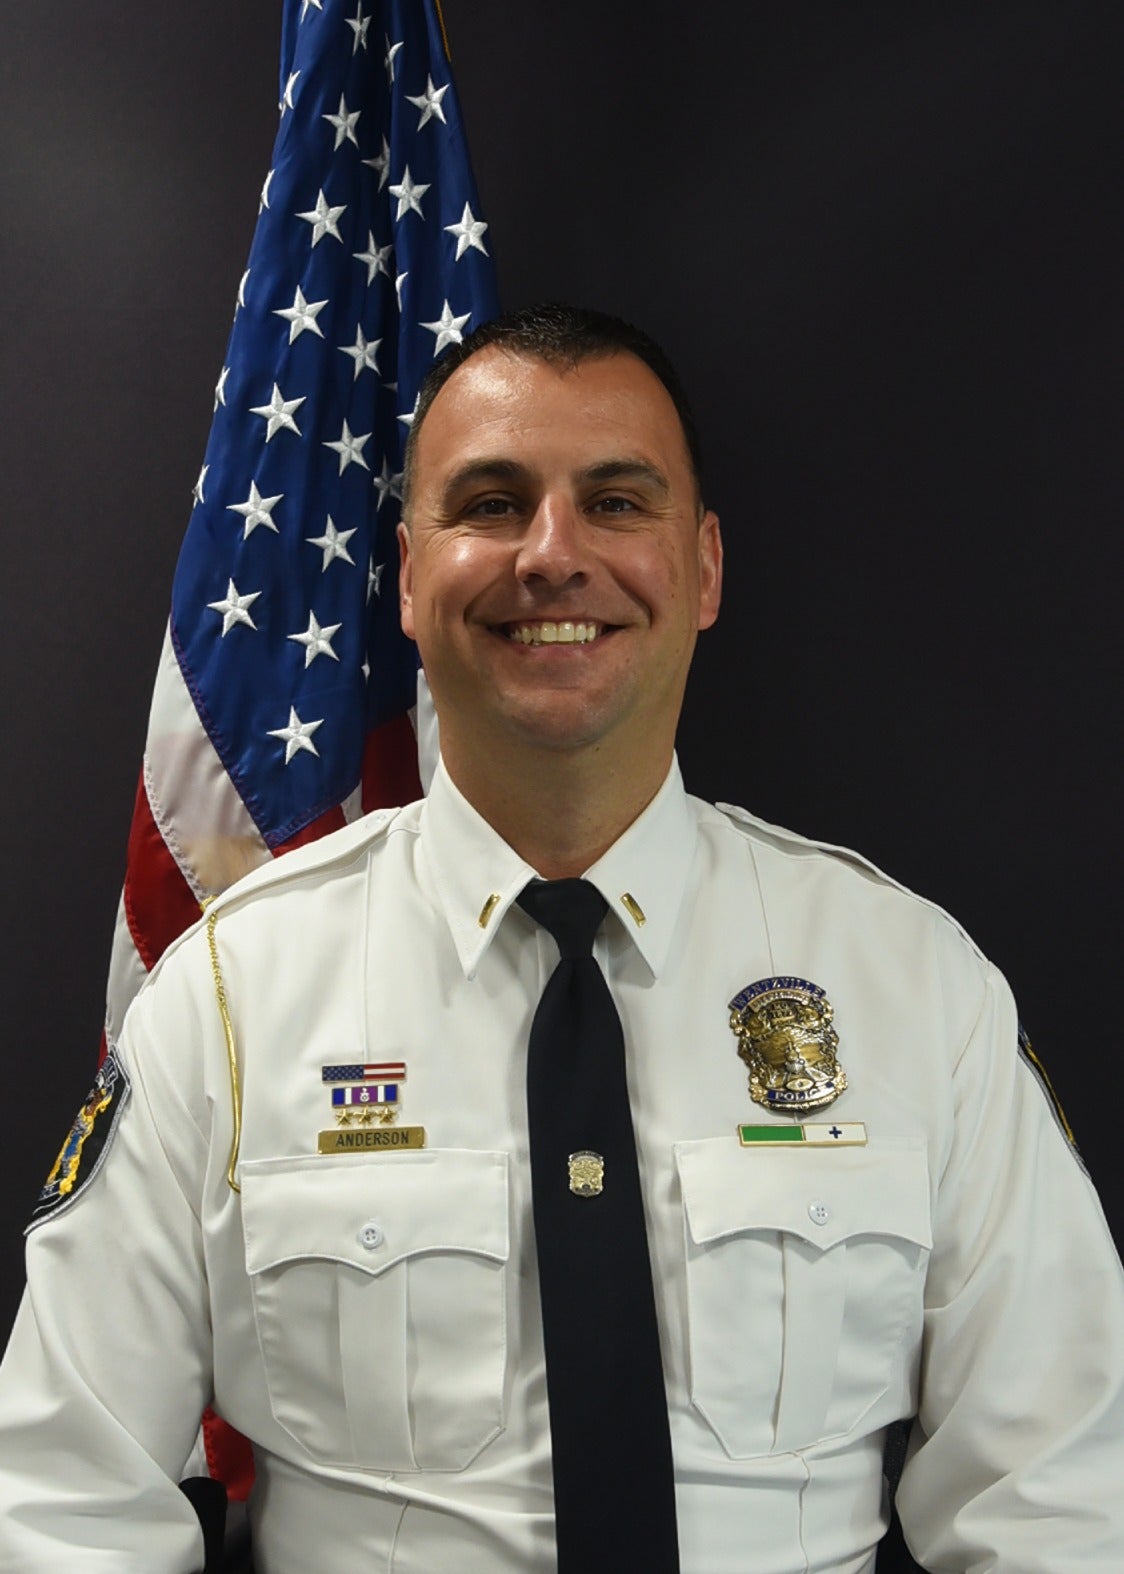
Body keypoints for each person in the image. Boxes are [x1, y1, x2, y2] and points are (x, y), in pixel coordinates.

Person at [0, 303, 1122, 1572]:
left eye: (615, 501)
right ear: (408, 575)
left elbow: (1056, 1503)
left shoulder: (910, 985)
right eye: (490, 503)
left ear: (703, 567)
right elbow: (63, 1506)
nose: (551, 554)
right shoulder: (228, 1000)